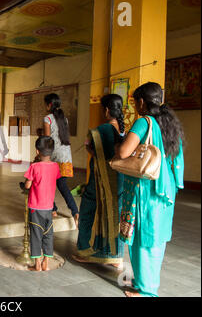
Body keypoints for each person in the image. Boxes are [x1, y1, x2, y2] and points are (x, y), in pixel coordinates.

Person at [116, 82, 184, 297]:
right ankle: (143, 283)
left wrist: (119, 147)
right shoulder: (169, 124)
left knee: (143, 240)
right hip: (166, 189)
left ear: (142, 102)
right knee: (155, 239)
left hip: (146, 188)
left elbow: (125, 152)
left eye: (135, 101)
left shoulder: (144, 122)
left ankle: (147, 291)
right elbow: (177, 158)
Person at [72, 94, 126, 268]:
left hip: (100, 180)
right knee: (114, 215)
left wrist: (90, 148)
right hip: (119, 180)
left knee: (88, 211)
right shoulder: (125, 131)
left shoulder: (100, 130)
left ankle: (86, 251)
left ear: (107, 110)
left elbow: (92, 148)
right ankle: (115, 255)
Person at [23, 136, 61, 271]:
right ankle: (46, 261)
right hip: (48, 207)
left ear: (37, 151)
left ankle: (37, 264)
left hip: (35, 207)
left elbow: (27, 185)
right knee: (48, 234)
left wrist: (28, 181)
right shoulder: (56, 167)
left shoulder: (34, 166)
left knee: (36, 234)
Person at [43, 93, 79, 224]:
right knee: (63, 185)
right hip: (65, 156)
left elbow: (47, 140)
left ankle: (53, 209)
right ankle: (75, 212)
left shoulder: (48, 119)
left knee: (48, 183)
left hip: (54, 155)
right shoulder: (64, 119)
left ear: (49, 105)